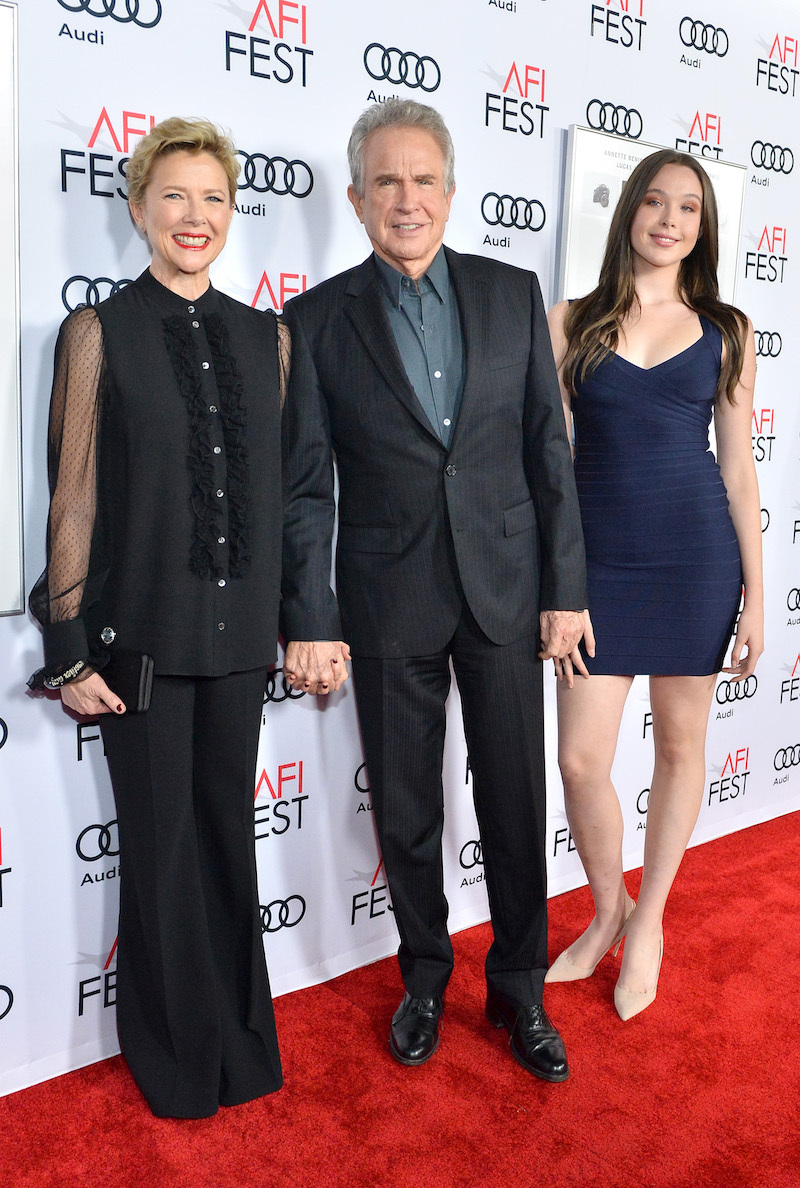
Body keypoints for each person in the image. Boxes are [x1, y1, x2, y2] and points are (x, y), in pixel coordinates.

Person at [280, 98, 587, 1081]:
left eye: (422, 180)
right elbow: (303, 487)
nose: (404, 199)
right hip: (383, 601)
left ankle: (518, 990)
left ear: (449, 192)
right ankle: (422, 978)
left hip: (503, 590)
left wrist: (563, 591)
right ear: (356, 196)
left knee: (509, 798)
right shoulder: (316, 318)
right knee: (405, 809)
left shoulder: (510, 293)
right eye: (385, 182)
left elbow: (548, 452)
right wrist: (311, 618)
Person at [28, 117, 291, 1116]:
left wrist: (295, 620)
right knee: (163, 851)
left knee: (228, 840)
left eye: (213, 198)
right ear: (137, 209)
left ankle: (240, 1047)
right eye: (173, 195)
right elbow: (77, 496)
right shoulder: (99, 332)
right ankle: (177, 1063)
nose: (195, 216)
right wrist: (66, 648)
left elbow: (277, 499)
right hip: (134, 645)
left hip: (236, 648)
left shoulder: (267, 337)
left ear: (233, 213)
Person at [546, 149, 763, 1020]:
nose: (669, 221)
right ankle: (608, 909)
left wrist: (755, 597)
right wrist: (556, 585)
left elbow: (740, 473)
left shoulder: (728, 330)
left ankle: (650, 924)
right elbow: (551, 465)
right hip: (596, 568)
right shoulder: (569, 320)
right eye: (655, 203)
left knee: (680, 747)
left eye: (688, 210)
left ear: (702, 229)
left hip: (695, 559)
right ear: (628, 210)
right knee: (580, 758)